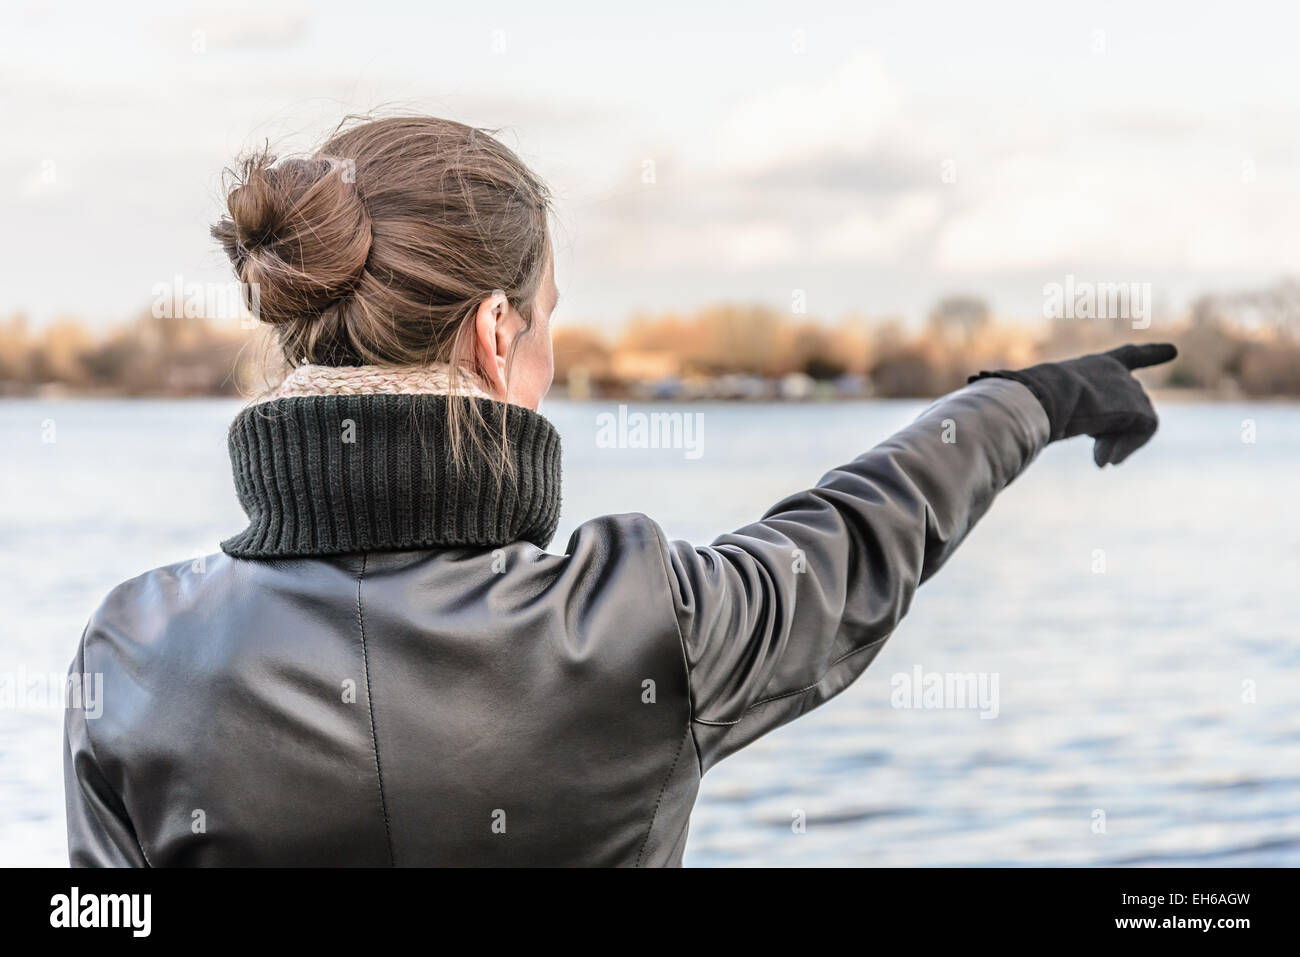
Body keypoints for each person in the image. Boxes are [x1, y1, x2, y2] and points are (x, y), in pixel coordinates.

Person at [63, 115, 1177, 866]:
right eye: (550, 319)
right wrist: (1032, 399)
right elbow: (864, 527)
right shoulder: (648, 627)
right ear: (499, 337)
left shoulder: (134, 650)